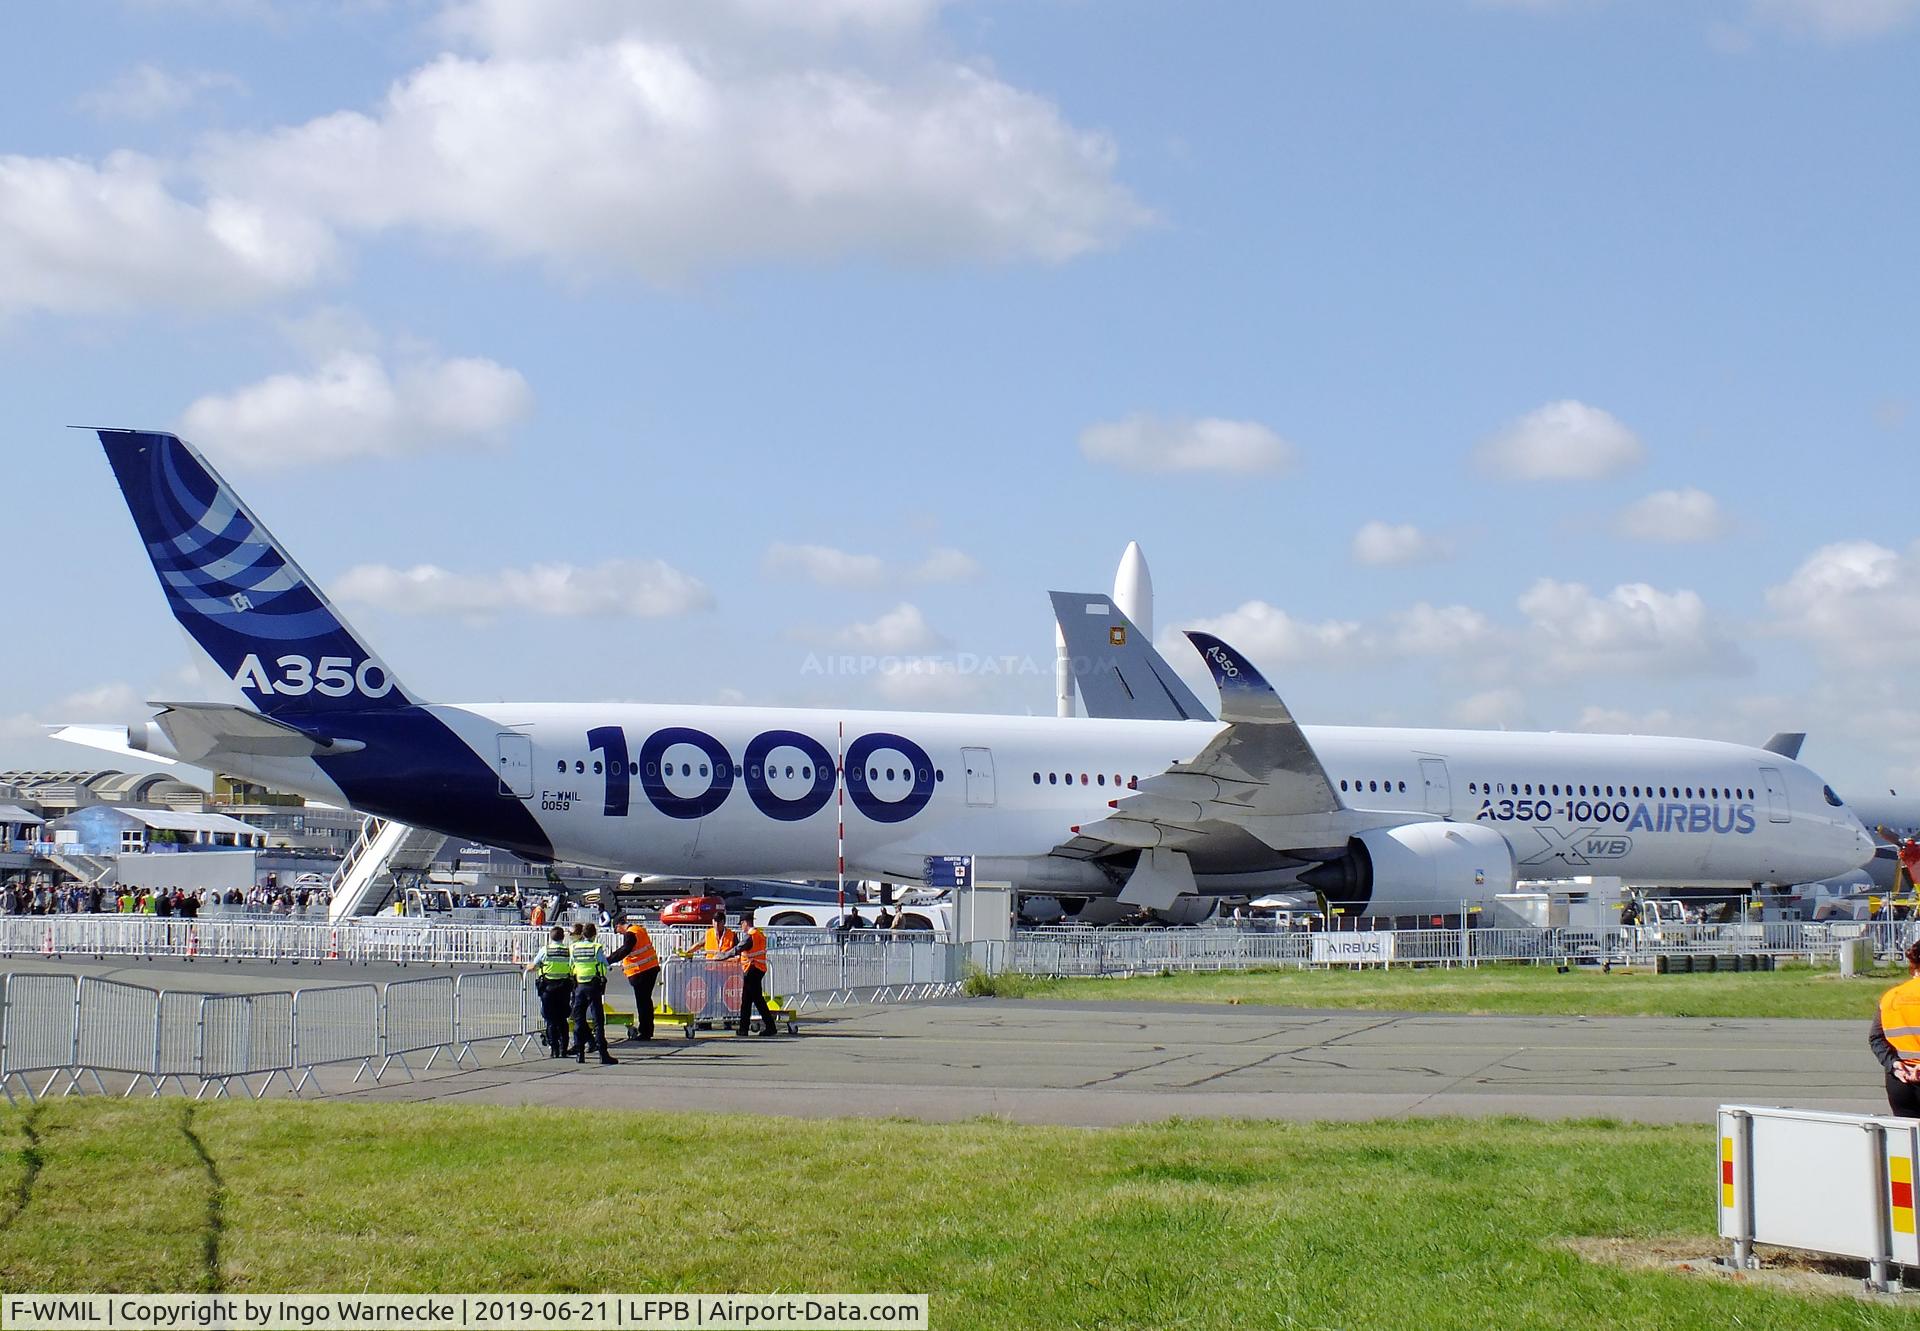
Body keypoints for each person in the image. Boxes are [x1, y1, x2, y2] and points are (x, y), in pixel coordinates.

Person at [1871, 939, 1920, 1117]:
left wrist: (1894, 1064)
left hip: (1901, 1082)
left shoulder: (1891, 996)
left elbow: (1876, 1039)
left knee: (1908, 1141)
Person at [713, 918, 778, 1036]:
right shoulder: (759, 934)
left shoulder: (750, 936)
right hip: (758, 968)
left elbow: (738, 948)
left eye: (741, 924)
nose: (741, 928)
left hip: (751, 969)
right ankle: (744, 1028)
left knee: (757, 1000)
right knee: (747, 1000)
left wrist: (723, 956)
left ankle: (770, 1027)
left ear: (745, 923)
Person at [567, 921, 618, 1065]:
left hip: (579, 986)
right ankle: (603, 1054)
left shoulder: (574, 947)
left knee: (579, 1020)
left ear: (582, 934)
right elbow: (605, 964)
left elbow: (571, 965)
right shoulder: (596, 947)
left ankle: (580, 1054)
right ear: (595, 935)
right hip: (593, 986)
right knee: (598, 1021)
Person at [606, 912, 660, 1041]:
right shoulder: (639, 929)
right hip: (651, 968)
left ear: (619, 925)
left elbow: (625, 950)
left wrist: (608, 960)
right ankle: (647, 1030)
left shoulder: (630, 934)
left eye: (616, 930)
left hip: (641, 971)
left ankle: (645, 1032)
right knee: (646, 1001)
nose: (618, 933)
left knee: (643, 1002)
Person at [524, 925, 575, 1058]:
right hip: (564, 987)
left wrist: (528, 966)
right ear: (563, 938)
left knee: (551, 1020)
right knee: (563, 1019)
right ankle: (564, 1048)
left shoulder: (545, 950)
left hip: (548, 988)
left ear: (550, 937)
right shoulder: (568, 951)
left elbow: (534, 966)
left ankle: (554, 1049)